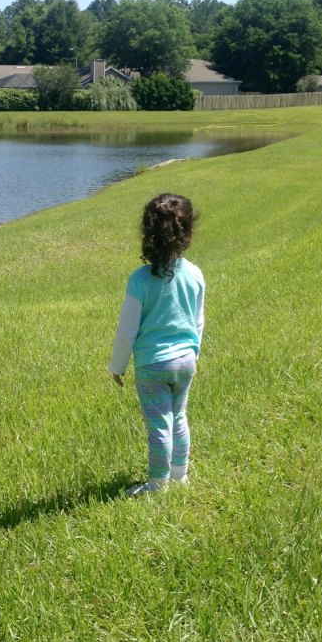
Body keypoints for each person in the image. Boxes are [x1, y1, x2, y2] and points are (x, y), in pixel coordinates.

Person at [109, 193, 205, 496]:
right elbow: (198, 321)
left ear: (147, 236)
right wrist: (194, 352)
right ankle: (180, 476)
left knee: (159, 424)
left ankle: (157, 484)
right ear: (187, 233)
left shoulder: (139, 280)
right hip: (185, 362)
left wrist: (117, 366)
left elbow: (127, 332)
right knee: (179, 417)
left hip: (153, 365)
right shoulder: (195, 275)